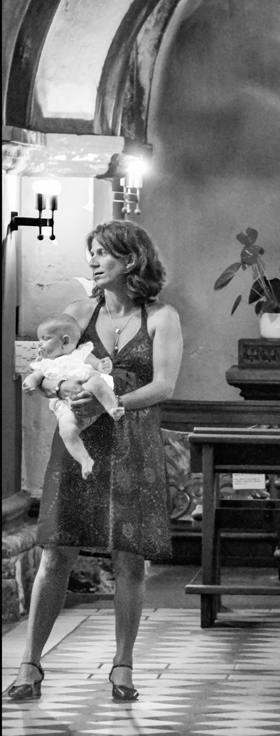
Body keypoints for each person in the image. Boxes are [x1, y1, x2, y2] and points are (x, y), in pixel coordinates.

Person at [7, 220, 183, 703]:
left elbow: (165, 385)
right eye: (92, 252)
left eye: (103, 252)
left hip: (133, 446)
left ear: (131, 259)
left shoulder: (162, 317)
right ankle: (29, 666)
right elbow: (42, 369)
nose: (93, 260)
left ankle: (123, 667)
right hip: (77, 446)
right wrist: (61, 387)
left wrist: (113, 404)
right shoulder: (78, 312)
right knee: (56, 551)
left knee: (129, 556)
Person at [23, 313, 125, 479]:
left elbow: (97, 365)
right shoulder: (45, 363)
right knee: (67, 431)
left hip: (89, 390)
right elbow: (35, 377)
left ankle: (112, 407)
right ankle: (85, 460)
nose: (39, 343)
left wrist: (103, 365)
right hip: (69, 407)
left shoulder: (81, 353)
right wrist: (29, 383)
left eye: (45, 338)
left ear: (65, 341)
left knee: (97, 382)